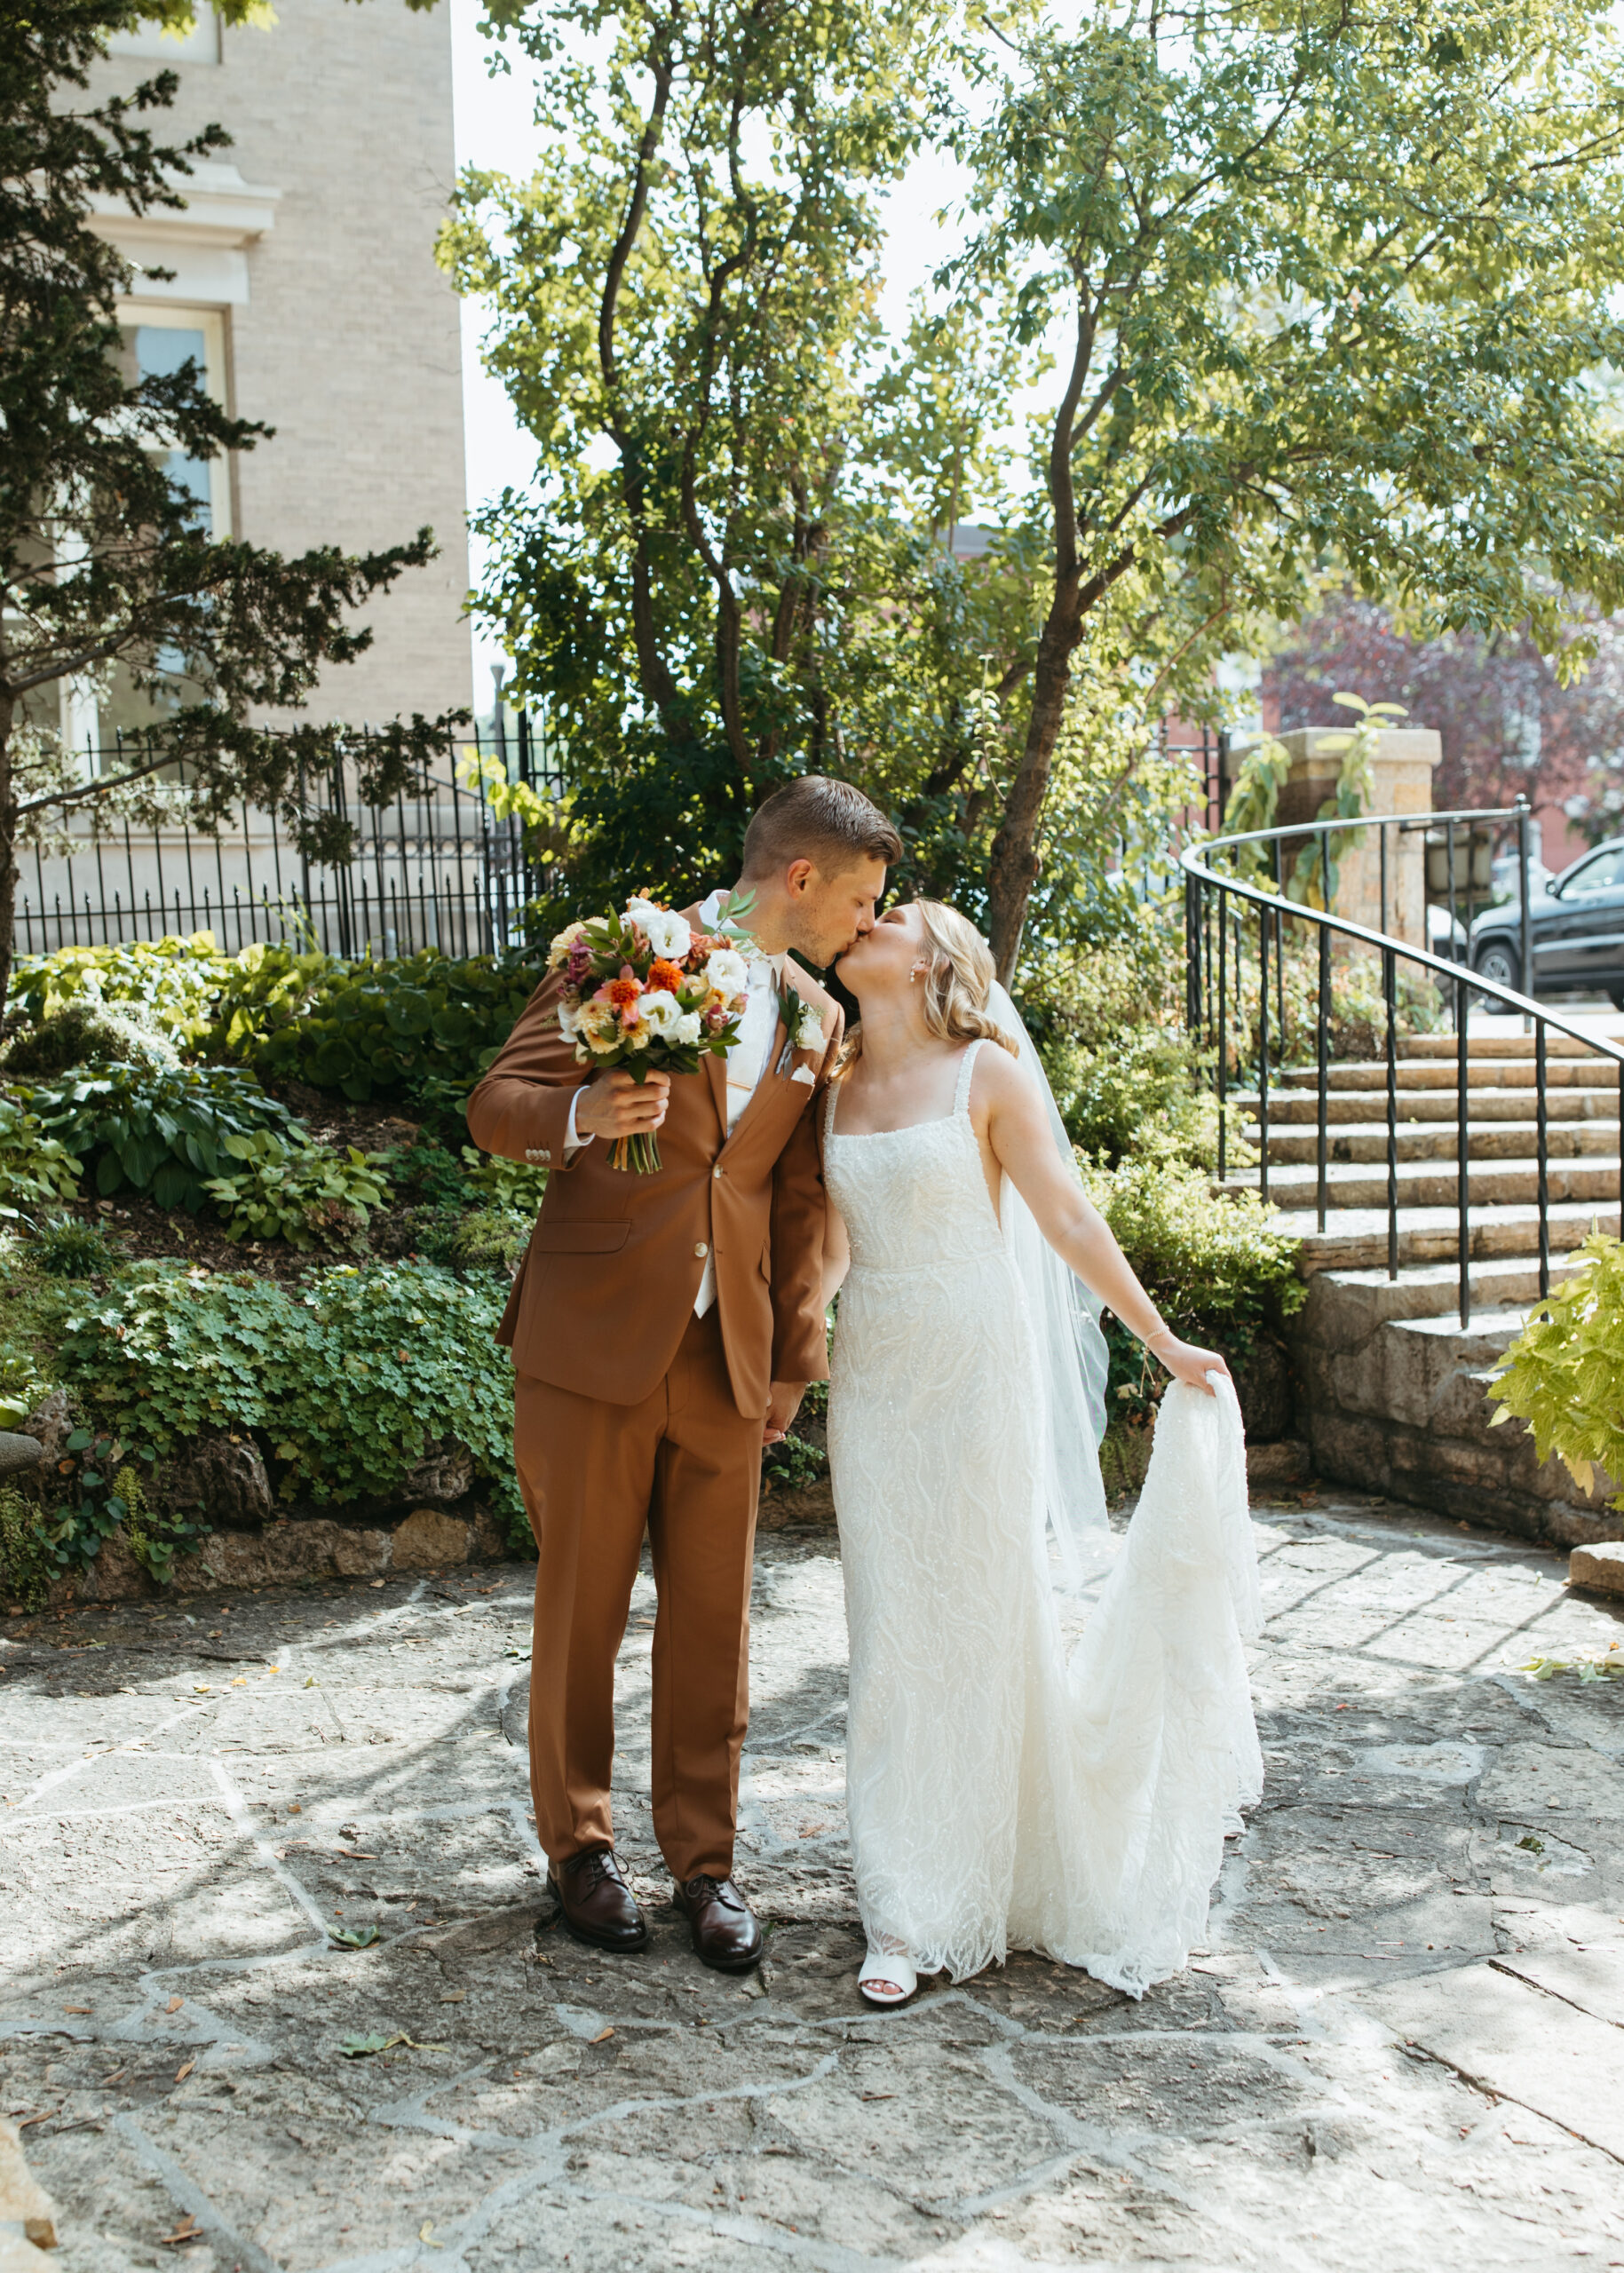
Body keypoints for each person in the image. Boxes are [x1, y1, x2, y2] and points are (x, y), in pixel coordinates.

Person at [467, 777, 901, 1972]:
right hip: (591, 1344)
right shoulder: (625, 951)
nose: (869, 927)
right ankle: (581, 1853)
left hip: (728, 1361)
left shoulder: (818, 1021)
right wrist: (583, 1114)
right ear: (800, 879)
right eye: (861, 901)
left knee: (714, 1626)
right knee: (582, 1613)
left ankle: (705, 1867)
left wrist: (791, 1364)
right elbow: (493, 1104)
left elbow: (798, 1200)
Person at [821, 899, 1263, 2006]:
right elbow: (826, 1245)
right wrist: (788, 1368)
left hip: (975, 1370)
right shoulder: (829, 1084)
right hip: (874, 1375)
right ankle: (904, 1898)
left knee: (979, 1617)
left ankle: (972, 1877)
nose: (863, 923)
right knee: (888, 1626)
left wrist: (1159, 1338)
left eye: (892, 918)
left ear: (932, 960)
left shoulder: (987, 1073)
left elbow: (1066, 1220)